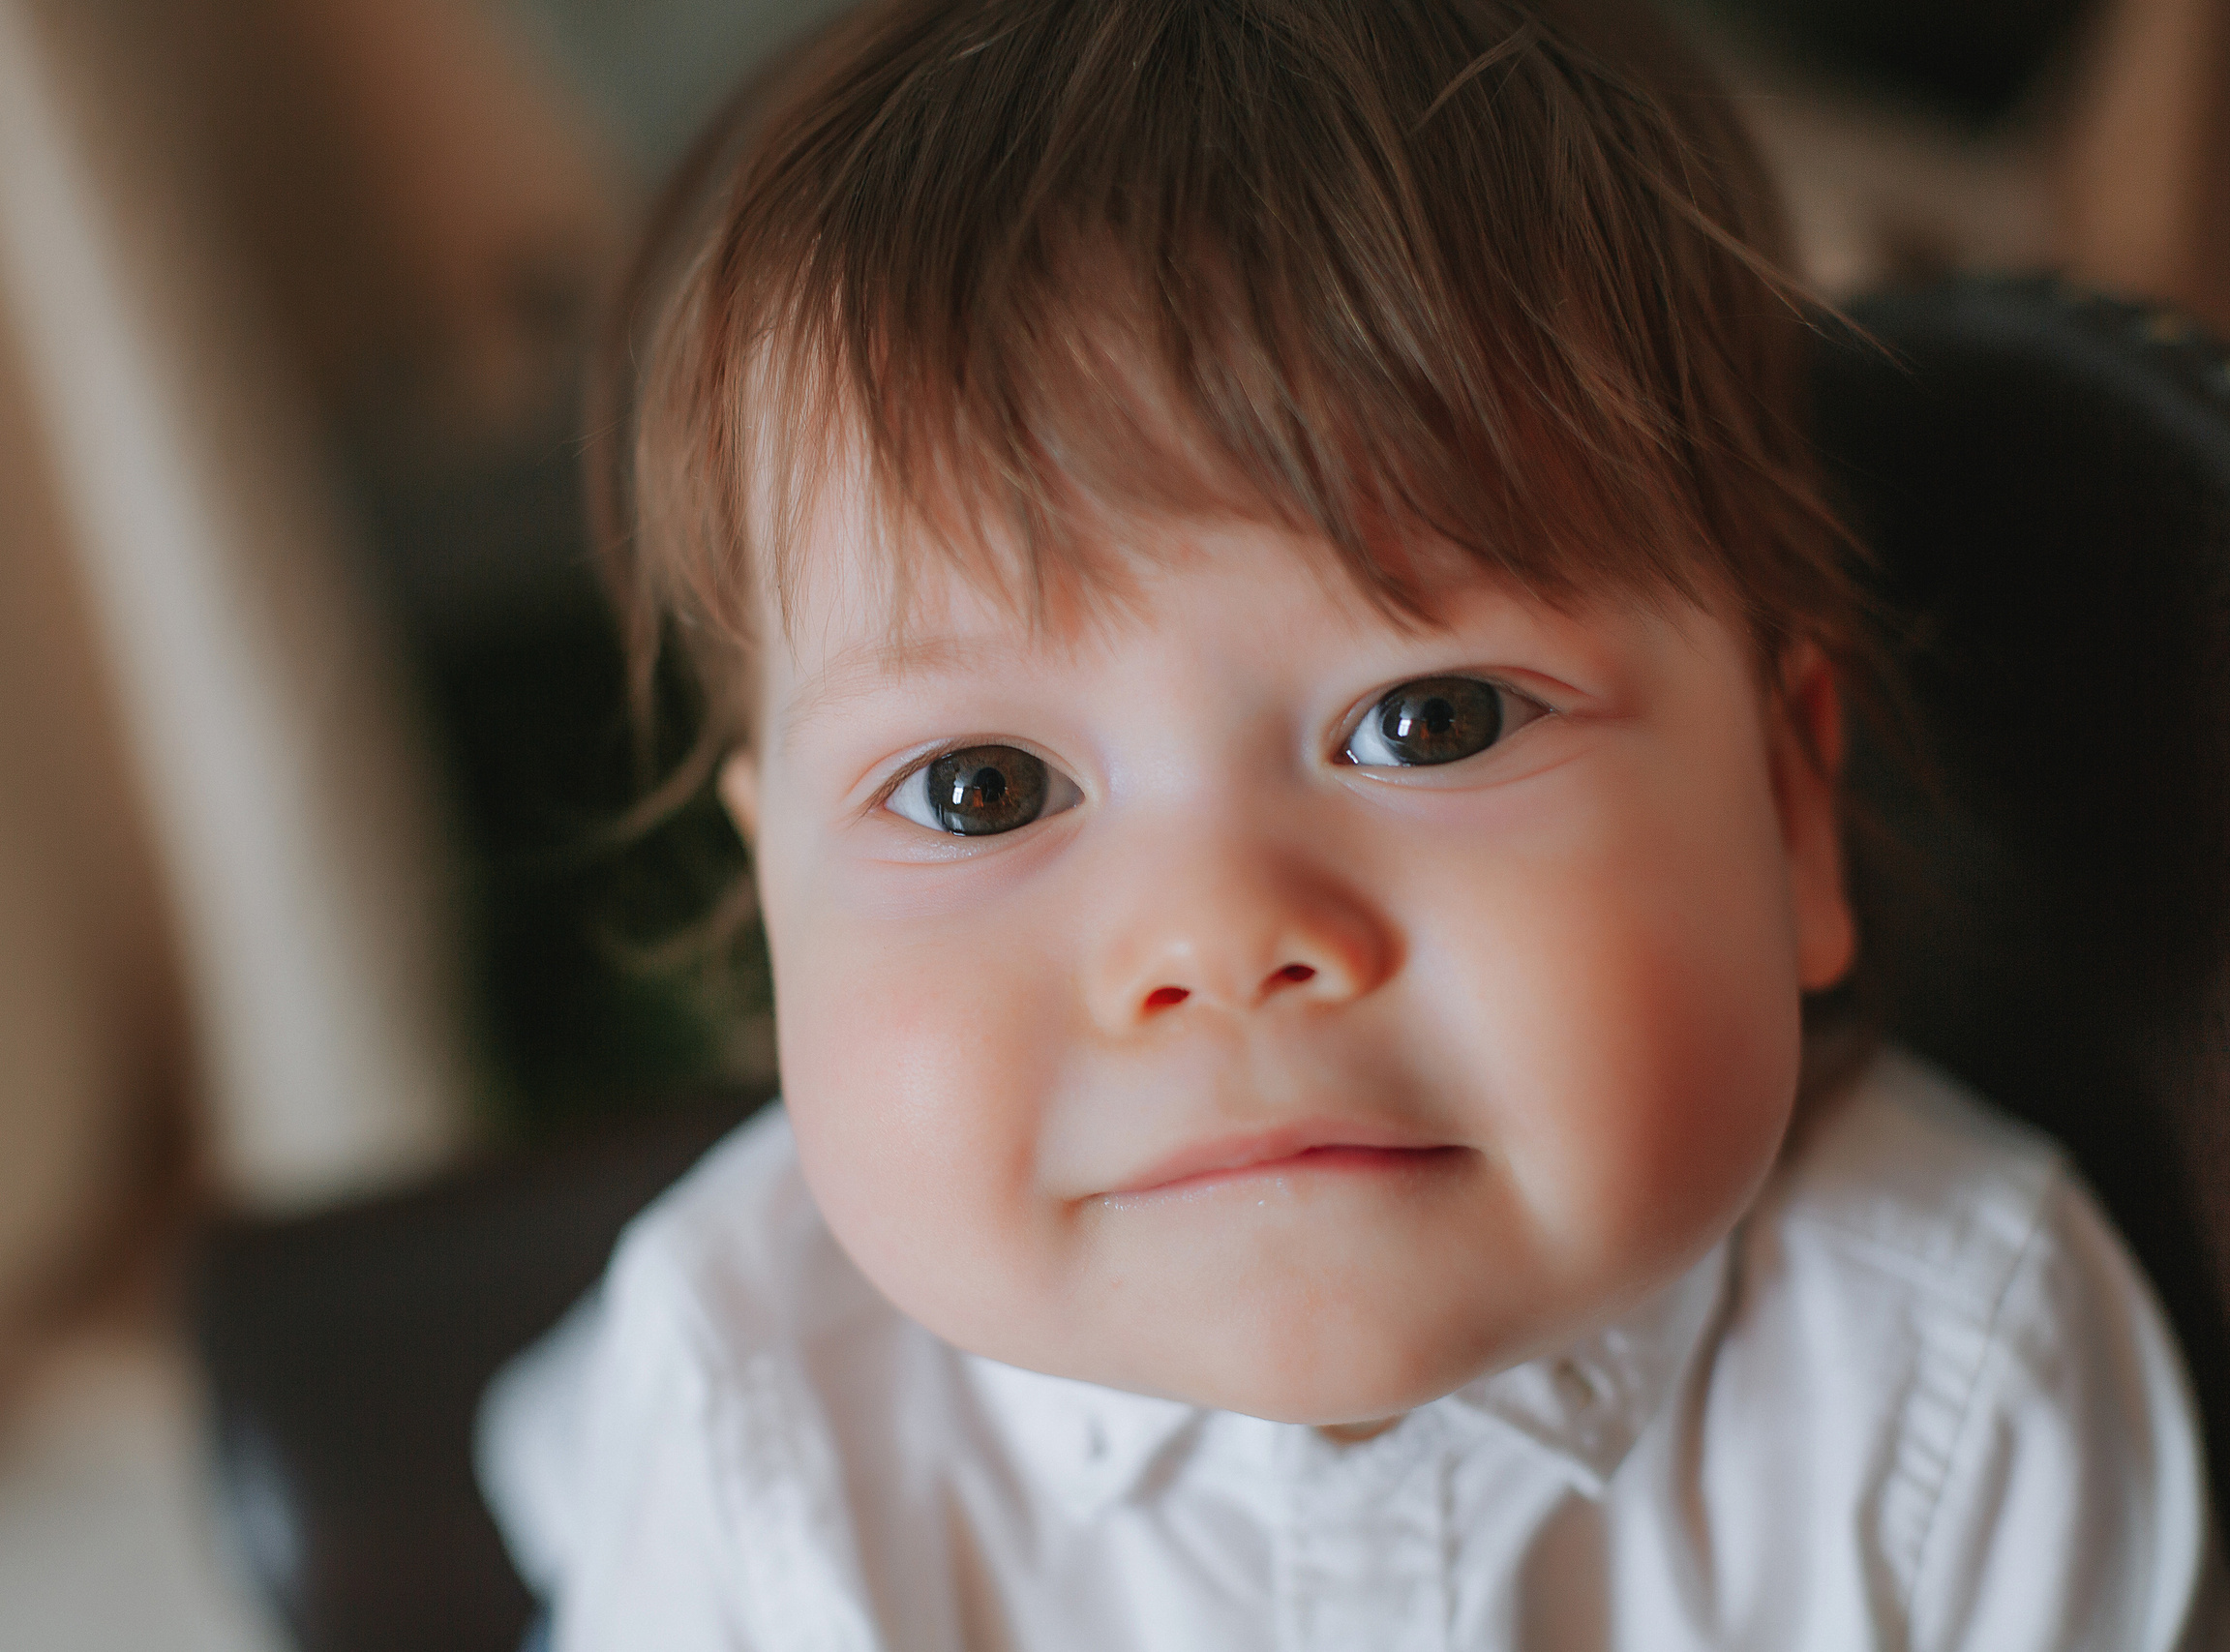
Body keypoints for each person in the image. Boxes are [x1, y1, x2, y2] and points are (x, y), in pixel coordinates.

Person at [480, 0, 2225, 1644]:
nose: (1221, 937)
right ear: (781, 902)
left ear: (1788, 807)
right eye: (979, 789)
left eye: (1429, 721)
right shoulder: (748, 1401)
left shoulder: (1961, 1381)